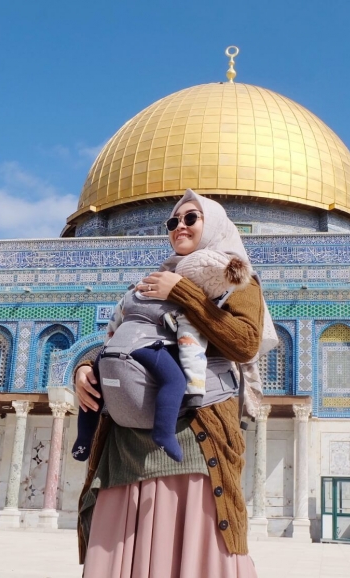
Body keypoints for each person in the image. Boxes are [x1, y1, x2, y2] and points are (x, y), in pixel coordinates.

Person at [75, 189, 269, 577]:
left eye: (190, 219)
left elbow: (245, 343)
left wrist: (180, 292)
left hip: (194, 439)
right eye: (173, 221)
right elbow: (126, 336)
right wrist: (85, 365)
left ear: (213, 226)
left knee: (189, 545)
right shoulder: (151, 281)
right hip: (127, 445)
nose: (179, 226)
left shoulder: (238, 280)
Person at [70, 248, 252, 463]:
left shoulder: (136, 290)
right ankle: (164, 433)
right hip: (147, 348)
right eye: (175, 221)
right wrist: (194, 389)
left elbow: (113, 322)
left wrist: (108, 347)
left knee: (96, 391)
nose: (180, 227)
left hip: (113, 349)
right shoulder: (184, 305)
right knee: (175, 381)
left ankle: (83, 438)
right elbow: (190, 347)